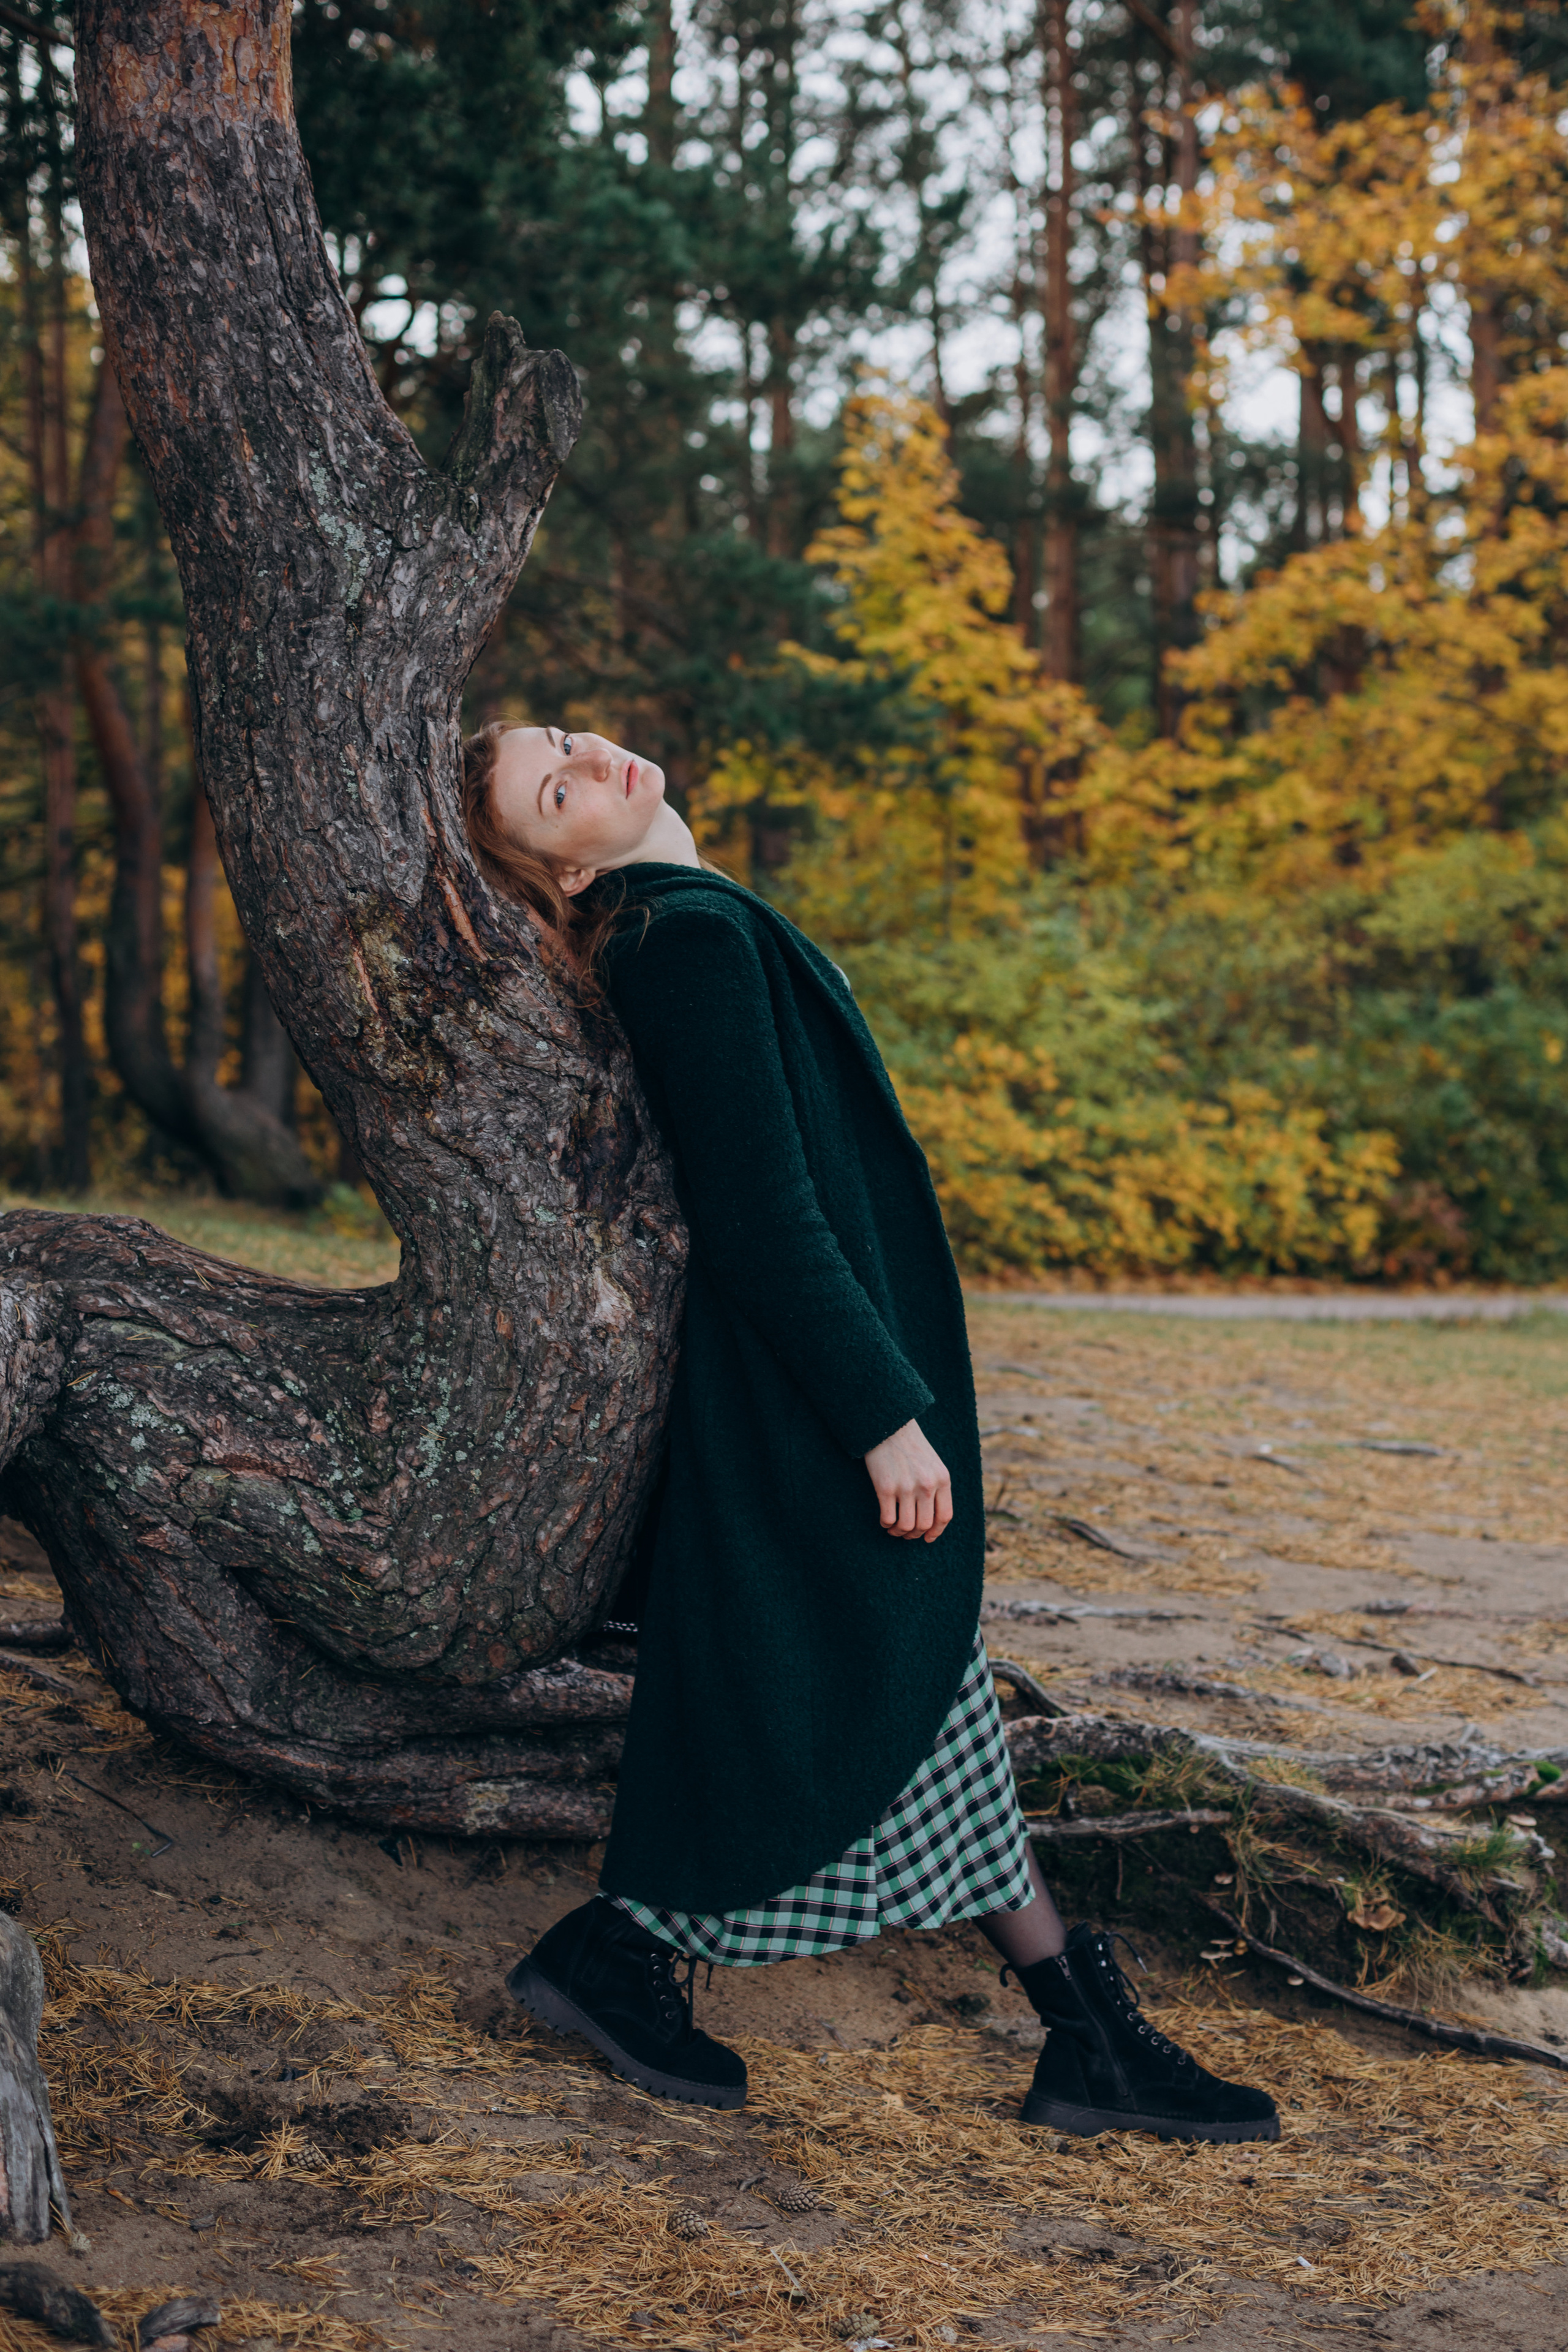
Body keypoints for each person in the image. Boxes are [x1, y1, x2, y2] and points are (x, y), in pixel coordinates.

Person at [461, 718, 1278, 2147]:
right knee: (865, 1671)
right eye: (556, 787)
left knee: (918, 1685)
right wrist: (881, 1420)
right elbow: (763, 1221)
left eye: (567, 737)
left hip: (824, 1379)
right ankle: (631, 1946)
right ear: (562, 872)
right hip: (800, 1399)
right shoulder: (679, 943)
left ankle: (1076, 2036)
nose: (594, 759)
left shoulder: (699, 919)